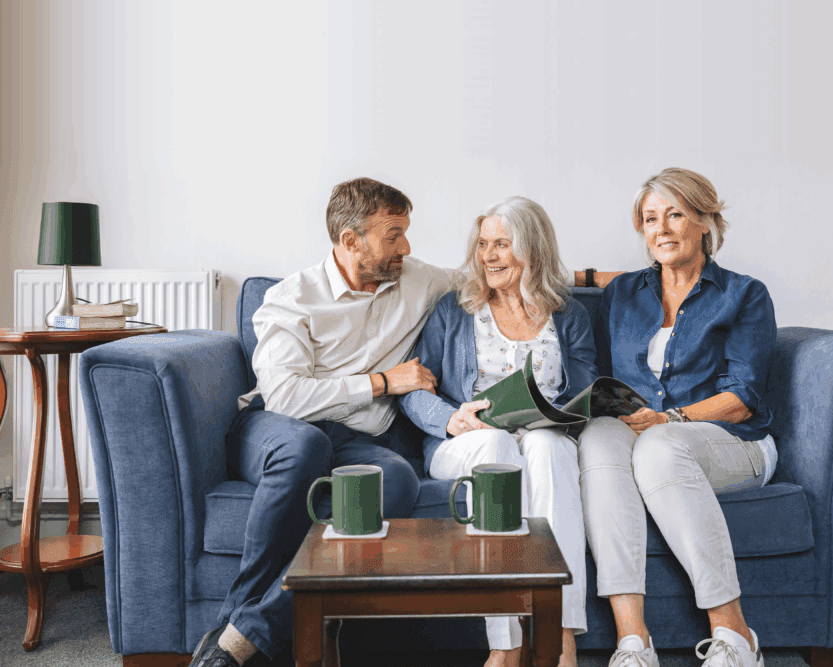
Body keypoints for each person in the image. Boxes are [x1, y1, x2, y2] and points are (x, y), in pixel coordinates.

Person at [189, 177, 453, 667]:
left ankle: (238, 638)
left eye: (405, 233)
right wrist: (381, 382)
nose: (406, 247)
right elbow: (287, 397)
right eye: (393, 235)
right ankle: (237, 629)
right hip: (276, 428)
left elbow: (492, 275)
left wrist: (588, 278)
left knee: (396, 479)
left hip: (357, 439)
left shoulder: (418, 280)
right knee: (305, 447)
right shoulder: (292, 299)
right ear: (351, 240)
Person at [578, 168, 778, 667]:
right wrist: (579, 278)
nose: (661, 229)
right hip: (643, 434)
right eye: (650, 219)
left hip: (733, 441)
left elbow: (743, 397)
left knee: (659, 447)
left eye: (675, 215)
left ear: (705, 221)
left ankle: (735, 635)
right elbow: (600, 370)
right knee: (597, 440)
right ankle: (633, 642)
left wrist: (669, 419)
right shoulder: (624, 293)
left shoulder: (744, 294)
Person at [400, 196, 597, 667]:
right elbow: (412, 389)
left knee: (549, 447)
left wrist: (563, 415)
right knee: (496, 442)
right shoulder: (454, 310)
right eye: (483, 244)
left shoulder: (569, 314)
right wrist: (450, 419)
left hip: (541, 437)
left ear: (532, 249)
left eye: (502, 244)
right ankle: (506, 643)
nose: (488, 255)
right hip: (467, 441)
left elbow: (584, 392)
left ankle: (559, 634)